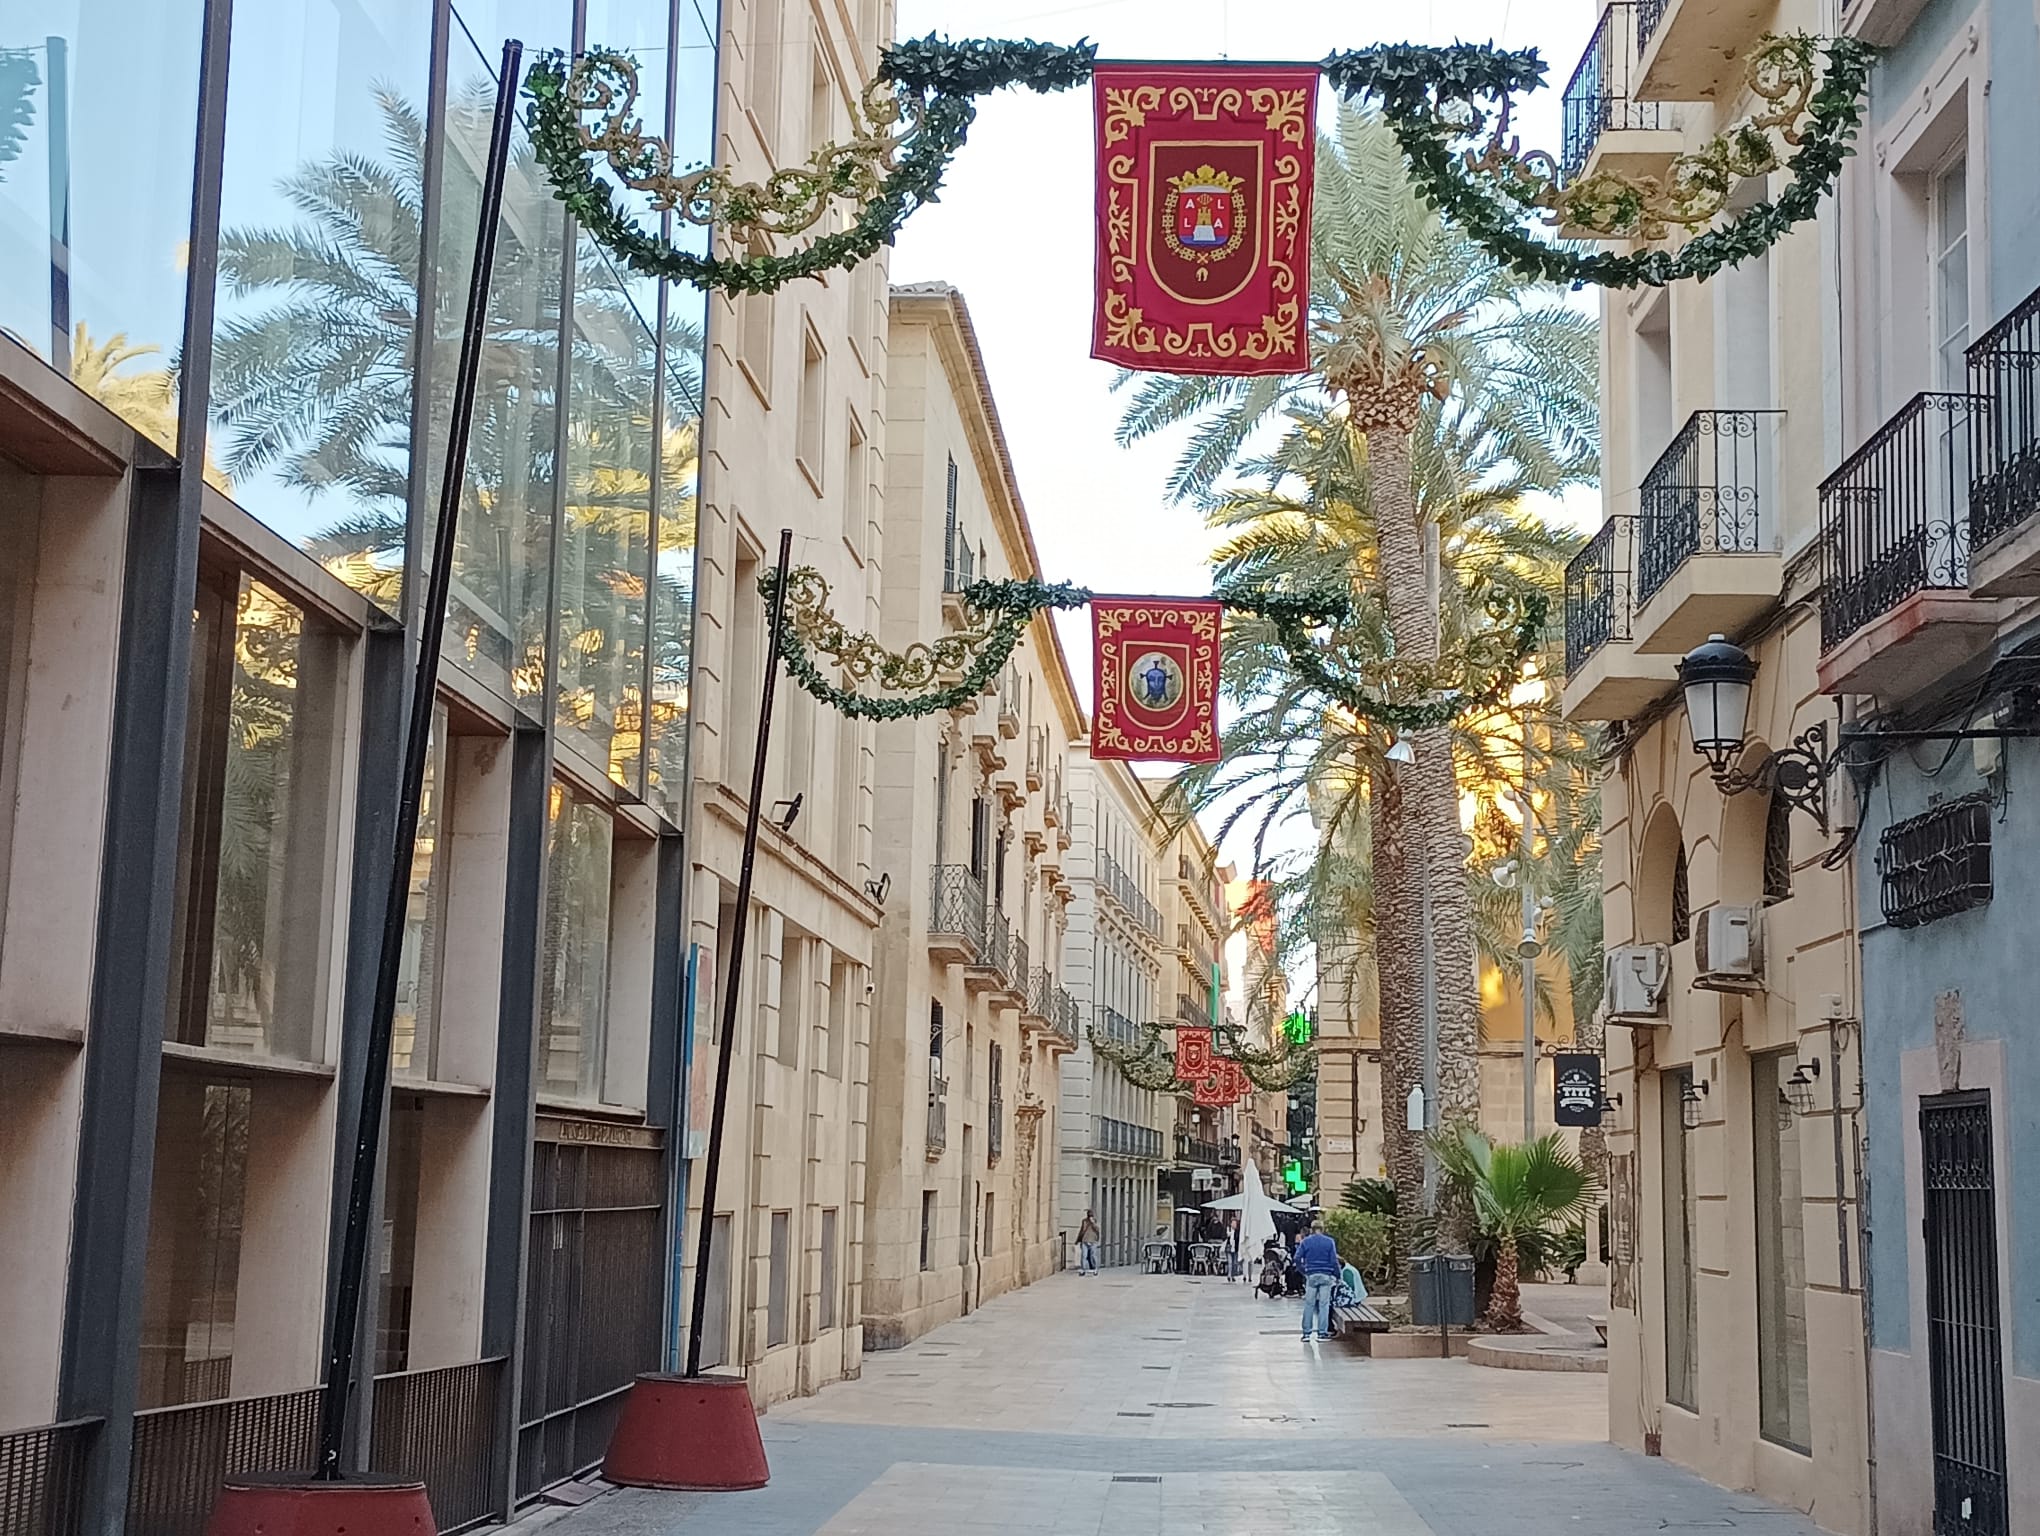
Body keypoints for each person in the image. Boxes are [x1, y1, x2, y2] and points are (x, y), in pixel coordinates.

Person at [1294, 1218, 1341, 1342]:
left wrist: (1304, 1270)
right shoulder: (1329, 1242)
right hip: (1326, 1275)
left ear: (1311, 1229)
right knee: (1324, 1305)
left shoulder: (1306, 1242)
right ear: (1323, 1229)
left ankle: (1306, 1333)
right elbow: (1334, 1261)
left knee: (1309, 1304)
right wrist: (1337, 1275)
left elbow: (1297, 1258)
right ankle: (1322, 1333)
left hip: (1311, 1275)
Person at [1077, 1210, 1101, 1275]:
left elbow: (1097, 1230)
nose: (1090, 1216)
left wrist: (1093, 1223)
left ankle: (1095, 1268)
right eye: (1089, 1215)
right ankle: (1083, 1269)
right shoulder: (1084, 1221)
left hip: (1093, 1241)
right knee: (1084, 1255)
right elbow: (1082, 1230)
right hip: (1085, 1240)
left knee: (1093, 1255)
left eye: (1091, 1215)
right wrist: (1078, 1239)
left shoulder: (1095, 1221)